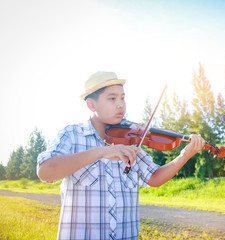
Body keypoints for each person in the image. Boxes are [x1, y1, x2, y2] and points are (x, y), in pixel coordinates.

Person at [37, 71, 205, 240]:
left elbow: (154, 178)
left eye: (122, 98)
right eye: (112, 98)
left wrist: (185, 155)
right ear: (91, 105)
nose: (120, 105)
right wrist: (101, 152)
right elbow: (45, 171)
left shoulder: (130, 139)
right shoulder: (72, 134)